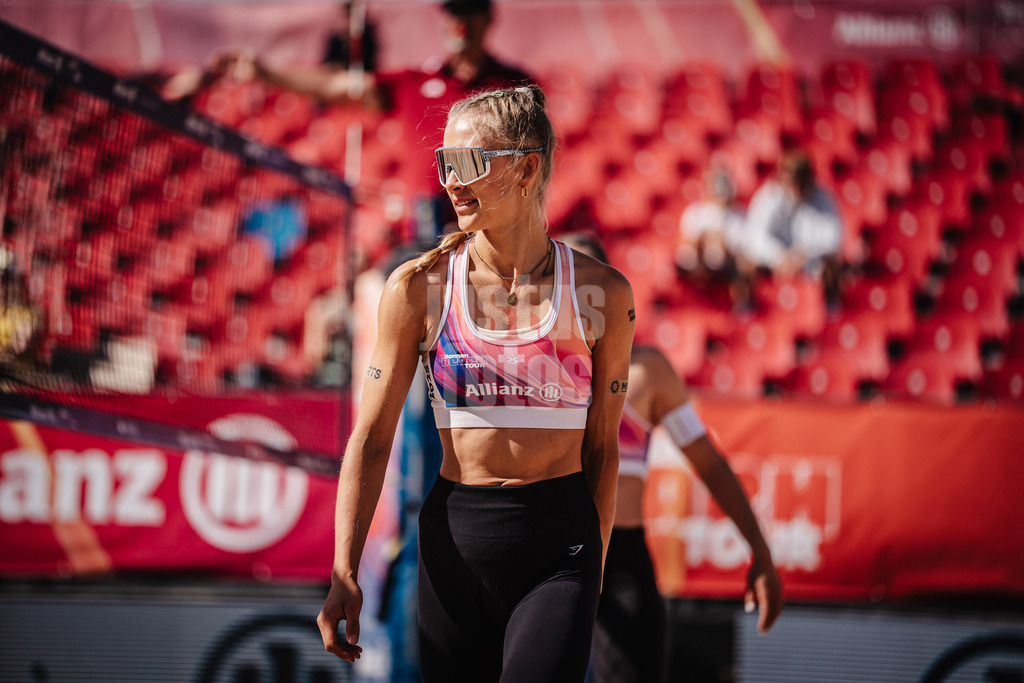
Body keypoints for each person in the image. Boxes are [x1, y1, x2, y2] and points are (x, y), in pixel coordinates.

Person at [316, 85, 635, 682]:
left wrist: (592, 569)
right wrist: (344, 569)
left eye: (466, 164)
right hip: (454, 543)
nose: (449, 181)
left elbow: (602, 450)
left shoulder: (603, 295)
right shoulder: (418, 288)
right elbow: (371, 439)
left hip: (559, 549)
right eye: (443, 163)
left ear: (526, 169)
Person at [562, 232, 784, 683]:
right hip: (546, 556)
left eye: (589, 282)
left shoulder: (648, 373)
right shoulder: (528, 372)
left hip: (620, 560)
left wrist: (760, 552)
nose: (576, 296)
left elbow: (708, 462)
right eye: (564, 281)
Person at [742, 149, 844, 306]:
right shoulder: (768, 197)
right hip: (774, 263)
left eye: (800, 180)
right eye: (792, 180)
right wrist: (780, 257)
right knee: (746, 263)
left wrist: (802, 255)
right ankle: (750, 312)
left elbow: (833, 238)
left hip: (810, 263)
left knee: (833, 266)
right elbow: (755, 237)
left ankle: (829, 310)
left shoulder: (824, 198)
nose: (796, 186)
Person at [676, 167, 753, 310]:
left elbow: (741, 250)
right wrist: (705, 242)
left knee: (741, 266)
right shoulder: (695, 212)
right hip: (699, 265)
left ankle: (741, 306)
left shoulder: (740, 215)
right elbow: (687, 247)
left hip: (728, 269)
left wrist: (720, 243)